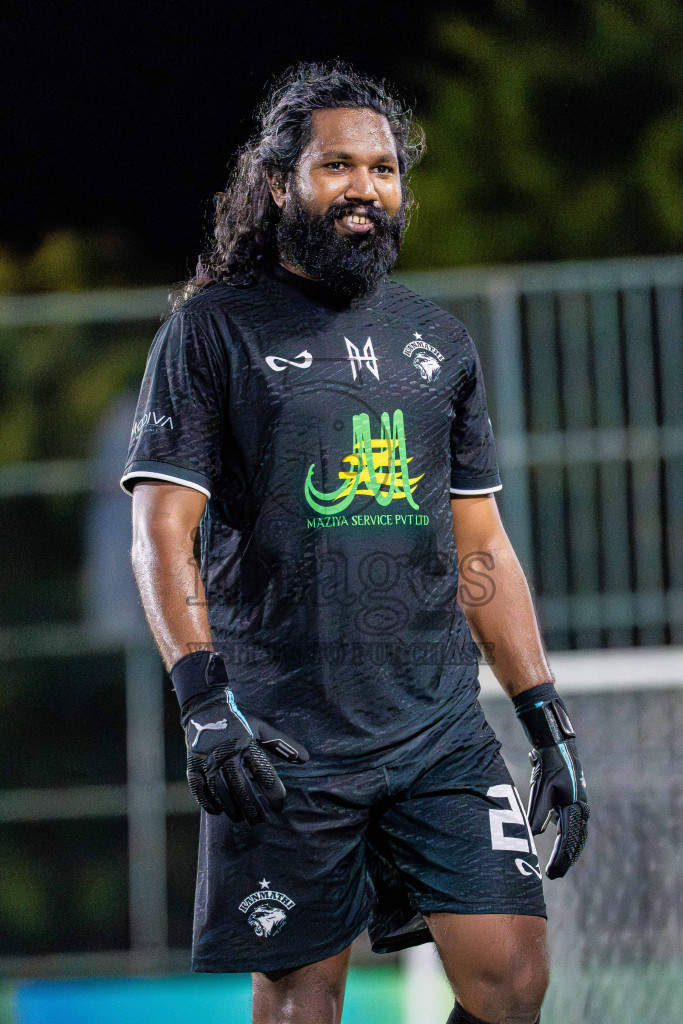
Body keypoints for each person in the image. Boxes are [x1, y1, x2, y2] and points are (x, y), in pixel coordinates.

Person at [121, 62, 588, 1024]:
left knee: (512, 977)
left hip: (435, 727)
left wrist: (543, 717)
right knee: (303, 1003)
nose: (365, 189)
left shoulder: (438, 342)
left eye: (382, 170)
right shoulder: (212, 332)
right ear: (279, 181)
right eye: (338, 166)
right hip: (285, 735)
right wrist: (204, 704)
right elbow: (160, 530)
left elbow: (481, 544)